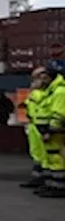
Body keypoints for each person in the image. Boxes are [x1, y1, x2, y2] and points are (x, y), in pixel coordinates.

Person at [38, 60, 65, 199]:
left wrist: (50, 131)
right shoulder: (52, 90)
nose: (43, 79)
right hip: (49, 130)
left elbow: (58, 114)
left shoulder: (59, 91)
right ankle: (52, 185)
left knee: (56, 158)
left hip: (55, 132)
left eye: (45, 76)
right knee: (50, 158)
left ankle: (59, 187)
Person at [20, 69, 49, 190]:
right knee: (36, 154)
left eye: (37, 78)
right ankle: (37, 178)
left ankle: (46, 180)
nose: (34, 81)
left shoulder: (48, 91)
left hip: (43, 126)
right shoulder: (36, 91)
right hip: (33, 124)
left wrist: (34, 90)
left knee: (46, 155)